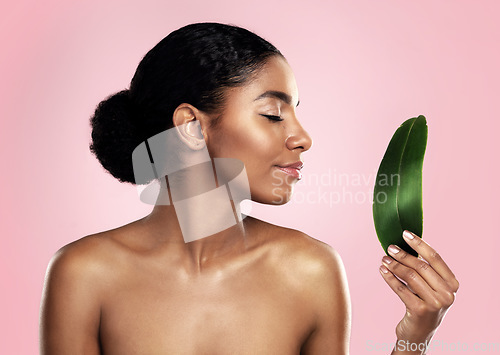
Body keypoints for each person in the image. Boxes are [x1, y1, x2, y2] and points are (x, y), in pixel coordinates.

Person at [39, 22, 459, 354]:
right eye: (274, 114)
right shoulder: (84, 274)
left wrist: (413, 338)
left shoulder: (309, 270)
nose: (303, 137)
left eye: (296, 112)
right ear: (190, 126)